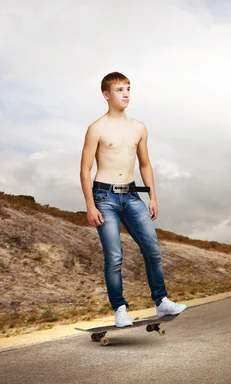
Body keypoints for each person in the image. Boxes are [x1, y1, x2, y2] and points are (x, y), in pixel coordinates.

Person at [79, 72, 187, 327]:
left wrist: (152, 196)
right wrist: (90, 206)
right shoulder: (96, 128)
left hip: (132, 195)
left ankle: (161, 302)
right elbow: (85, 169)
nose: (126, 94)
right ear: (106, 95)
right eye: (119, 89)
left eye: (128, 88)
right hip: (104, 197)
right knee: (114, 256)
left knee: (153, 250)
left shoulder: (139, 127)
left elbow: (145, 163)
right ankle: (120, 309)